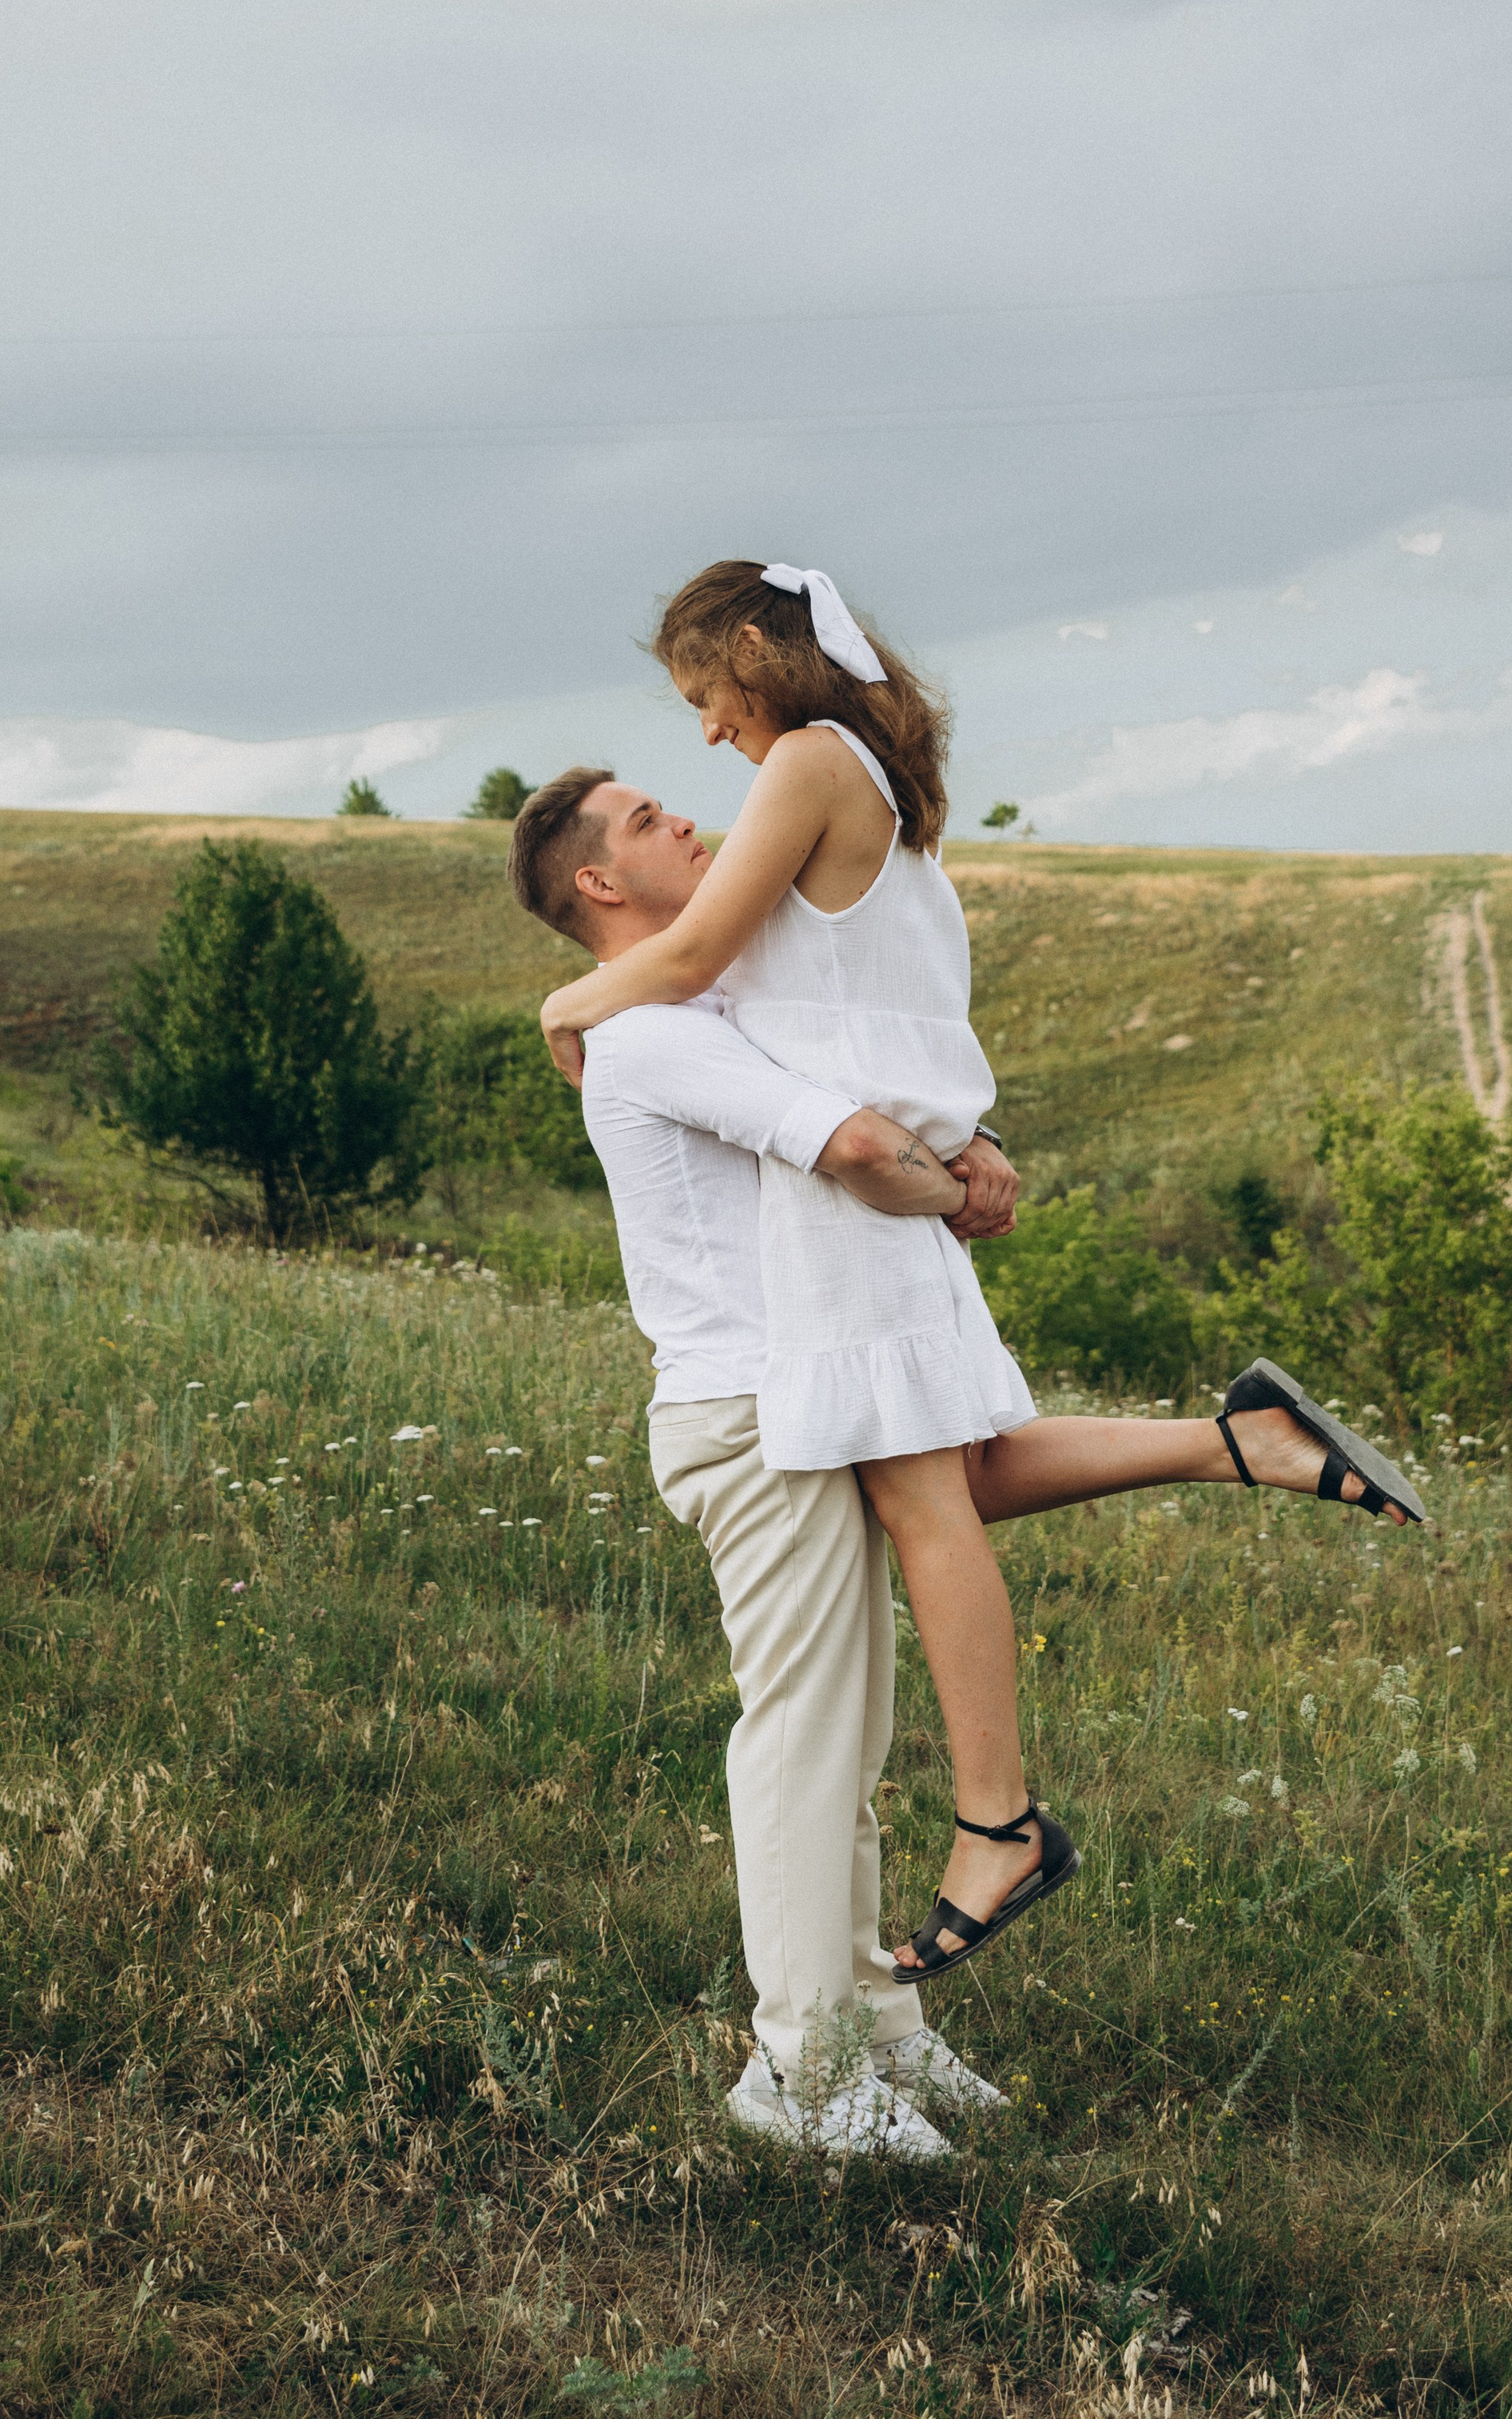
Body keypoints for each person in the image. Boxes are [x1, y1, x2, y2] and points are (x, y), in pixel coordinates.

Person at [537, 566, 1425, 1997]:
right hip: (897, 1185)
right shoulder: (876, 775)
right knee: (966, 1468)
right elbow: (846, 1008)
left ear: (758, 662)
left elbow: (707, 958)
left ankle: (997, 1822)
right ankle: (1243, 1443)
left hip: (857, 1215)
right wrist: (964, 1141)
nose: (705, 743)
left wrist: (567, 1003)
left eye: (706, 698)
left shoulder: (813, 767)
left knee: (925, 1495)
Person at [507, 763, 1015, 2159]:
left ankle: (878, 2032)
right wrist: (964, 1188)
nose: (687, 819)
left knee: (844, 1739)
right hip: (746, 1416)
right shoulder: (657, 1038)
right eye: (649, 820)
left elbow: (869, 1103)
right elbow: (854, 1145)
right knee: (799, 1737)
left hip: (797, 1402)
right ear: (602, 886)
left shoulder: (700, 1009)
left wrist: (960, 1151)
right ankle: (797, 2071)